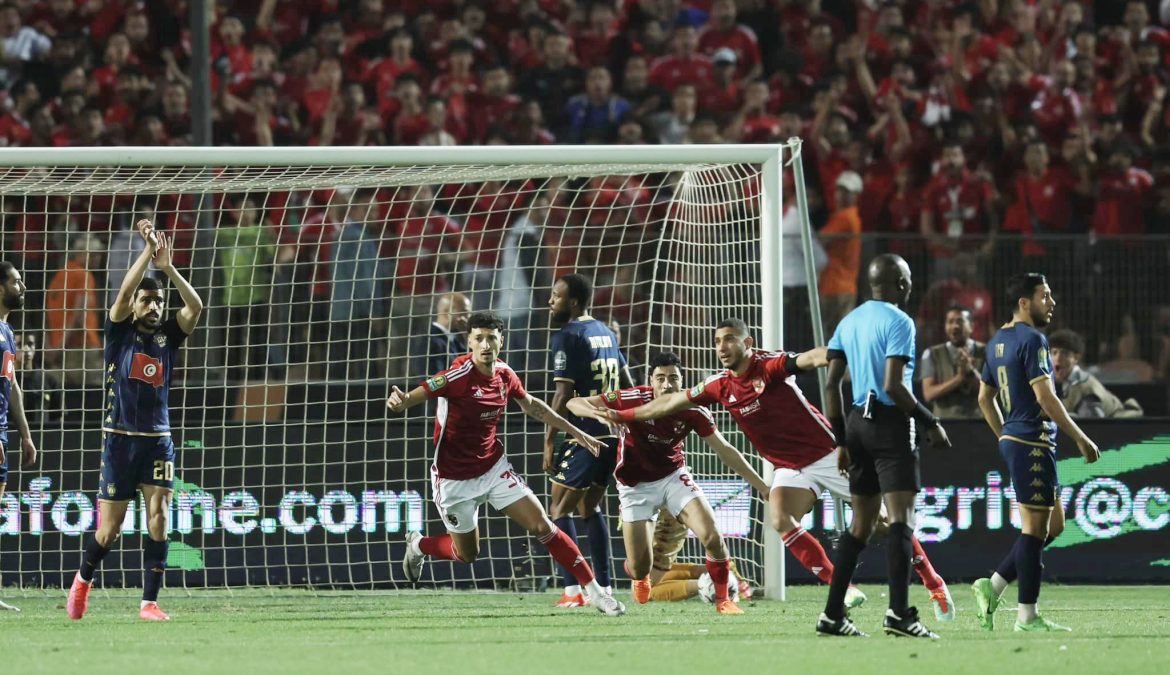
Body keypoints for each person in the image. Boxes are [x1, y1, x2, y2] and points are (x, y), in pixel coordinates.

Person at [596, 316, 952, 622]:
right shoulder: (719, 385)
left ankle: (934, 584)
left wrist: (841, 353)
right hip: (789, 467)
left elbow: (810, 358)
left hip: (828, 455)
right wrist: (620, 415)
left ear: (748, 343)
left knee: (883, 524)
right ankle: (841, 588)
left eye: (729, 339)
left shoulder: (768, 366)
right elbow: (670, 402)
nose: (722, 347)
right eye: (717, 341)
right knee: (780, 518)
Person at [390, 312, 625, 617]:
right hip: (453, 479)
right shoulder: (456, 376)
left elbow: (533, 406)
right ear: (469, 342)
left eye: (491, 338)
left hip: (493, 469)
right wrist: (401, 401)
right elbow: (417, 394)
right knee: (467, 554)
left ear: (501, 340)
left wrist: (576, 432)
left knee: (543, 525)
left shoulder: (504, 374)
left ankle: (596, 594)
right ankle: (419, 546)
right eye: (479, 338)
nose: (485, 344)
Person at [66, 220, 204, 622]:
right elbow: (124, 293)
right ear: (136, 305)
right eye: (148, 301)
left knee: (159, 516)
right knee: (108, 531)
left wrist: (168, 268)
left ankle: (149, 603)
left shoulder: (169, 337)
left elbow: (195, 307)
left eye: (158, 301)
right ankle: (82, 580)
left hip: (158, 440)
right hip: (120, 439)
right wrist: (146, 252)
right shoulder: (118, 334)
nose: (154, 307)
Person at [567, 351, 769, 614]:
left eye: (673, 378)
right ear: (651, 381)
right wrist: (599, 414)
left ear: (682, 381)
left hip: (674, 478)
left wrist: (762, 486)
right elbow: (574, 403)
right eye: (660, 378)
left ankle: (723, 601)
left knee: (712, 536)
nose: (667, 384)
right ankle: (640, 576)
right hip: (634, 486)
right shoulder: (633, 398)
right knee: (640, 567)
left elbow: (725, 450)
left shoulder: (692, 408)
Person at [818, 253, 951, 639]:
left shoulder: (849, 321)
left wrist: (841, 440)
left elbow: (831, 384)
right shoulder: (900, 322)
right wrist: (930, 421)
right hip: (890, 423)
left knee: (860, 526)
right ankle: (899, 615)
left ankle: (832, 615)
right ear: (903, 284)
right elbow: (894, 385)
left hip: (856, 424)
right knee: (901, 521)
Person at [972, 274, 1100, 632]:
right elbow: (1045, 397)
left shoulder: (996, 342)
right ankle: (1027, 616)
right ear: (1024, 302)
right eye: (1045, 296)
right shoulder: (1033, 339)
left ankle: (993, 585)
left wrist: (1004, 435)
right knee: (1034, 530)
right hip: (1032, 441)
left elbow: (984, 398)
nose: (1052, 302)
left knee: (1053, 526)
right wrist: (1081, 438)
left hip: (1021, 439)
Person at [545, 273, 634, 607]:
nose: (550, 301)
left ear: (573, 302)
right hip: (612, 435)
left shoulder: (568, 335)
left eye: (556, 296)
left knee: (558, 508)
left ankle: (573, 590)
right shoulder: (606, 332)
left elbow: (562, 394)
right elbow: (627, 381)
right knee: (590, 506)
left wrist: (549, 439)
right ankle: (606, 585)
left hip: (584, 433)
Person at [0, 261, 38, 612]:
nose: (22, 287)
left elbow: (12, 386)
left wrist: (25, 435)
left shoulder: (8, 331)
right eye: (16, 281)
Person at [45, 234, 105, 388]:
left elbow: (50, 314)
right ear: (82, 254)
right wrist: (61, 346)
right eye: (94, 254)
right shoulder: (84, 276)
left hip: (60, 345)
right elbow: (80, 316)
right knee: (91, 392)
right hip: (82, 347)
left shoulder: (60, 275)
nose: (98, 258)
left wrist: (54, 346)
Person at [1048, 329, 1143, 418]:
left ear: (1076, 358)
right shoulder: (1061, 382)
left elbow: (1094, 423)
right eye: (1054, 353)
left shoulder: (1085, 388)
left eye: (1065, 353)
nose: (1058, 358)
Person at [919, 306, 986, 419]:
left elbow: (995, 391)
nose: (955, 326)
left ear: (971, 326)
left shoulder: (986, 352)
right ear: (945, 326)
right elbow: (928, 394)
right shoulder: (932, 354)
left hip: (977, 422)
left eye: (960, 321)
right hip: (944, 424)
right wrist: (958, 379)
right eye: (950, 322)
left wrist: (972, 372)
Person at [818, 171, 864, 335]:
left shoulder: (845, 217)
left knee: (834, 336)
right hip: (840, 285)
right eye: (839, 190)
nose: (841, 195)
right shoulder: (848, 216)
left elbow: (819, 240)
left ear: (856, 195)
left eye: (847, 192)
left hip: (836, 286)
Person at [416, 292, 471, 378]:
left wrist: (467, 335)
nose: (468, 318)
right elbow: (433, 380)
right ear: (447, 313)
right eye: (465, 313)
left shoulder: (454, 340)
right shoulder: (431, 342)